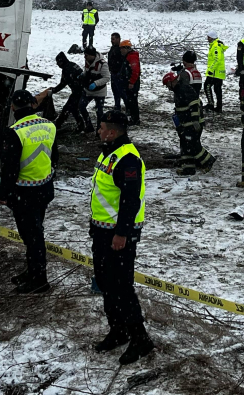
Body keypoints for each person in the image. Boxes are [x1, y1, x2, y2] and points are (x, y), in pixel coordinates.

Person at [89, 111, 154, 365]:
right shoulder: (108, 152)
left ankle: (140, 338)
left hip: (119, 234)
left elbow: (130, 200)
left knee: (121, 286)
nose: (99, 131)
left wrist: (122, 233)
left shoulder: (127, 159)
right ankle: (118, 329)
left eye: (102, 127)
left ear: (113, 132)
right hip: (103, 230)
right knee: (106, 283)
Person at [0, 90, 56, 293]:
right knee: (35, 232)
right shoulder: (49, 125)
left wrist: (4, 193)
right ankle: (32, 270)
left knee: (32, 236)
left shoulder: (15, 131)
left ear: (13, 107)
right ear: (32, 105)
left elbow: (10, 168)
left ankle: (39, 279)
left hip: (24, 193)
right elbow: (53, 156)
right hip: (44, 189)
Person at [163, 71, 215, 175]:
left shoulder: (184, 89)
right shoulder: (178, 91)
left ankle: (208, 161)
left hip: (193, 124)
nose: (168, 87)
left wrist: (195, 120)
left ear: (172, 81)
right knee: (185, 145)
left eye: (168, 84)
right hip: (186, 124)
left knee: (193, 145)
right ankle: (188, 168)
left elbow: (195, 104)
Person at [80, 46, 111, 134]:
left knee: (99, 111)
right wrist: (83, 75)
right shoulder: (87, 61)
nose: (84, 57)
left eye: (86, 55)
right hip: (88, 90)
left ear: (92, 55)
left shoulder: (102, 64)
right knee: (81, 106)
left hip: (100, 91)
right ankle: (88, 125)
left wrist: (96, 83)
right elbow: (86, 71)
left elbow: (107, 78)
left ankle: (99, 130)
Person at [51, 52, 86, 130]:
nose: (57, 64)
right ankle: (81, 125)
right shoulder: (72, 65)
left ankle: (58, 125)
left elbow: (63, 83)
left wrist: (54, 90)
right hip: (81, 89)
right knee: (73, 108)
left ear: (61, 61)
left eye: (58, 62)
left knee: (67, 108)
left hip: (78, 91)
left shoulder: (67, 69)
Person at [205, 30, 227, 113]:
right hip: (219, 73)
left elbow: (216, 59)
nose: (207, 39)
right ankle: (218, 107)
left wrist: (211, 70)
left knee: (207, 86)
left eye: (208, 37)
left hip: (215, 73)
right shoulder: (216, 45)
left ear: (212, 38)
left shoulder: (215, 46)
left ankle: (211, 104)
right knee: (217, 90)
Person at [121, 40, 142, 123]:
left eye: (121, 48)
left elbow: (135, 71)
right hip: (130, 82)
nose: (120, 50)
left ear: (126, 48)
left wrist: (131, 82)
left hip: (132, 83)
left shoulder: (132, 57)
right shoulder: (129, 56)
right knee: (131, 100)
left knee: (132, 101)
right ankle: (133, 117)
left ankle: (135, 119)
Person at [108, 33, 125, 110]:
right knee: (115, 90)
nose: (111, 41)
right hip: (113, 72)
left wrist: (120, 72)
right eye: (111, 39)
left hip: (119, 73)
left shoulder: (121, 49)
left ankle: (126, 106)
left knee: (121, 91)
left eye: (113, 39)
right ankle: (117, 105)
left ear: (118, 39)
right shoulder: (113, 48)